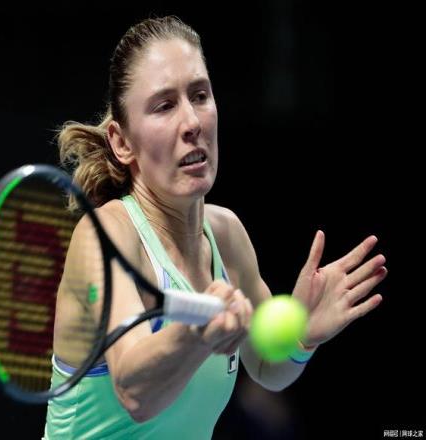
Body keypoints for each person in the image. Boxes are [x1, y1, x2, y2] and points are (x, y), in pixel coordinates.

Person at [43, 16, 387, 439]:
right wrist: (196, 334)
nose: (192, 122)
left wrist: (302, 338)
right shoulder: (107, 235)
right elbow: (135, 393)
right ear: (121, 141)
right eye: (164, 105)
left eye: (200, 95)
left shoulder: (226, 234)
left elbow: (267, 367)